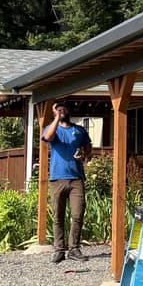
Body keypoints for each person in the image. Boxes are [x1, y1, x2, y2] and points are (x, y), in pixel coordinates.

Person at [41, 101, 93, 264]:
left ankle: (74, 249)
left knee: (77, 214)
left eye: (64, 109)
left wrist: (83, 154)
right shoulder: (52, 129)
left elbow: (88, 148)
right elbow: (47, 137)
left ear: (69, 111)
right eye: (58, 109)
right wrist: (56, 117)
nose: (62, 111)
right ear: (54, 111)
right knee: (58, 216)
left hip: (76, 179)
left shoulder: (78, 130)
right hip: (57, 178)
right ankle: (59, 250)